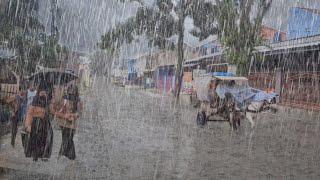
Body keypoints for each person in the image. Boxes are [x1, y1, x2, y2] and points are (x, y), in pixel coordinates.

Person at [24, 82, 53, 161]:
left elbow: (51, 110)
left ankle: (44, 155)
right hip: (37, 122)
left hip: (45, 122)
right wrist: (28, 125)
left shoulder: (47, 99)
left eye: (45, 91)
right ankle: (35, 155)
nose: (43, 92)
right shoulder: (35, 99)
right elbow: (30, 112)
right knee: (36, 138)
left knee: (47, 138)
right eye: (42, 91)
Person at [54, 83, 82, 160]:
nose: (71, 92)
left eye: (73, 90)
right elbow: (61, 109)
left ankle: (65, 155)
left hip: (72, 123)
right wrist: (64, 115)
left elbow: (79, 113)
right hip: (64, 123)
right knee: (65, 138)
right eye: (70, 90)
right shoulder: (65, 99)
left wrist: (72, 116)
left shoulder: (78, 100)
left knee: (69, 139)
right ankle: (68, 156)